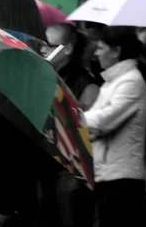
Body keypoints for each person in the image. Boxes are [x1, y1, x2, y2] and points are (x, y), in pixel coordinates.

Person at [84, 26, 146, 227]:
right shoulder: (111, 82)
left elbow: (103, 121)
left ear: (116, 51)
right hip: (106, 174)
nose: (96, 53)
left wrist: (72, 118)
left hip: (122, 178)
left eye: (101, 48)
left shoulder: (131, 81)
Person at [38, 23, 98, 227]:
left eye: (49, 44)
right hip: (43, 167)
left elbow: (84, 131)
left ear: (68, 49)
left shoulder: (86, 84)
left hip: (70, 173)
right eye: (42, 44)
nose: (42, 49)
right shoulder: (44, 77)